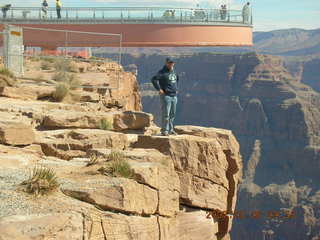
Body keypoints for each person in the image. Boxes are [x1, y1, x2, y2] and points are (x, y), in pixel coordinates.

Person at [151, 58, 179, 136]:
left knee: (172, 114)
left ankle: (171, 130)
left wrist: (176, 89)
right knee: (166, 114)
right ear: (166, 63)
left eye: (172, 63)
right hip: (166, 96)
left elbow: (177, 79)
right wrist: (159, 89)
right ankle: (164, 131)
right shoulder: (162, 72)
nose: (171, 64)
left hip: (174, 96)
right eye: (169, 63)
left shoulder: (174, 71)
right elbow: (153, 79)